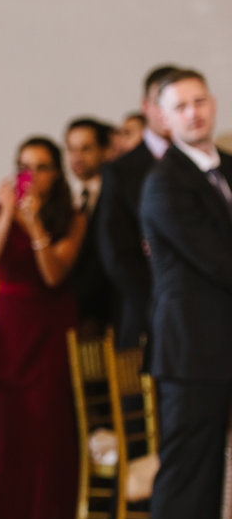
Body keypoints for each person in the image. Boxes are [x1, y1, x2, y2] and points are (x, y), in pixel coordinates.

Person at [0, 136, 85, 519]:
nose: (31, 175)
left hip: (52, 329)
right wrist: (8, 217)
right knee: (8, 434)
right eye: (24, 166)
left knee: (47, 434)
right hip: (10, 327)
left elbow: (55, 275)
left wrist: (35, 226)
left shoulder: (71, 217)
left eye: (40, 167)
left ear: (56, 174)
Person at [141, 68, 232, 519]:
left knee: (217, 479)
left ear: (213, 104)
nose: (194, 112)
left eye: (201, 101)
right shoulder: (165, 182)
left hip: (224, 346)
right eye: (181, 106)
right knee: (185, 478)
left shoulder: (225, 169)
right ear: (163, 116)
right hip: (192, 351)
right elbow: (218, 260)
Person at [97, 65, 179, 349]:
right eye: (163, 102)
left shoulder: (210, 165)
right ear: (147, 106)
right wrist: (160, 299)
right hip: (146, 310)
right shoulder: (120, 172)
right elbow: (116, 253)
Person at [64, 117, 113, 335]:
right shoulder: (64, 198)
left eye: (86, 149)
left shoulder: (116, 196)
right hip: (68, 313)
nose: (77, 157)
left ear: (103, 151)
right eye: (71, 149)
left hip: (108, 311)